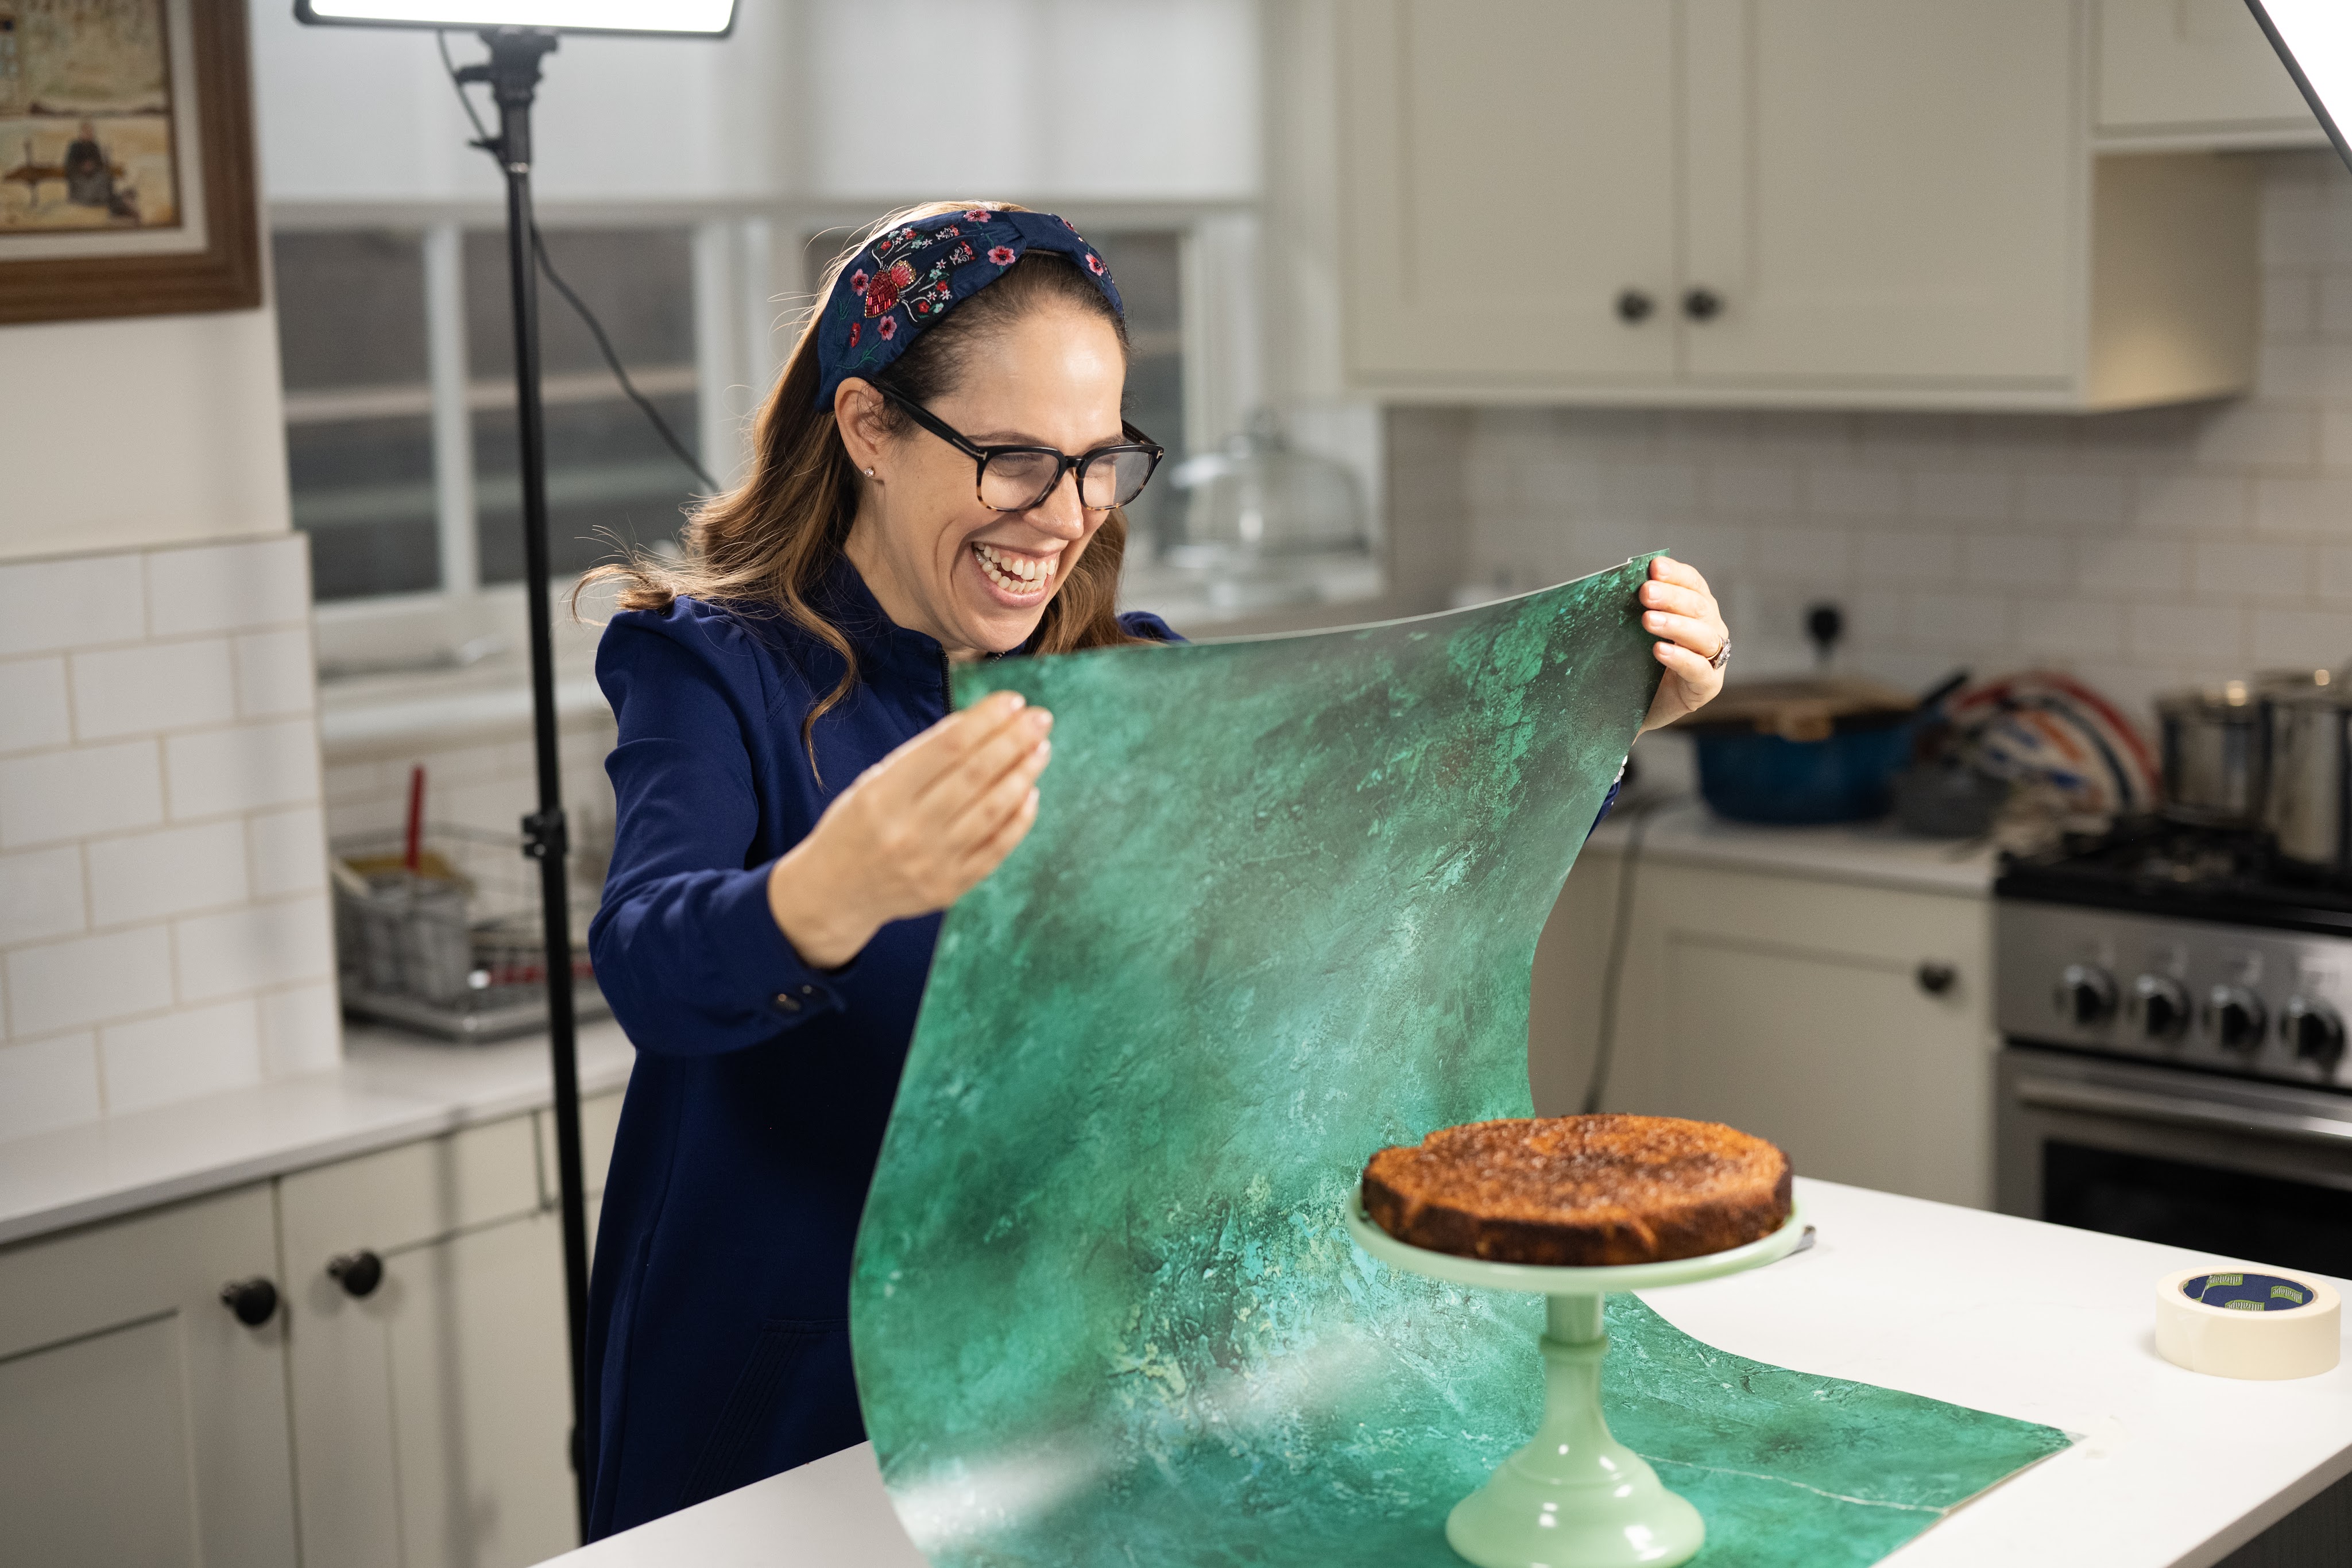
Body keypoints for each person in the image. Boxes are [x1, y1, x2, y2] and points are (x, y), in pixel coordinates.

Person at [577, 200, 1731, 1539]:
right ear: (868, 431)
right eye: (1012, 460)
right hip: (787, 1402)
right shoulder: (709, 665)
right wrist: (832, 886)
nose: (1061, 516)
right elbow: (647, 960)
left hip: (1066, 1396)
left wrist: (1594, 723)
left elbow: (1364, 893)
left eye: (1097, 462)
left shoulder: (1128, 681)